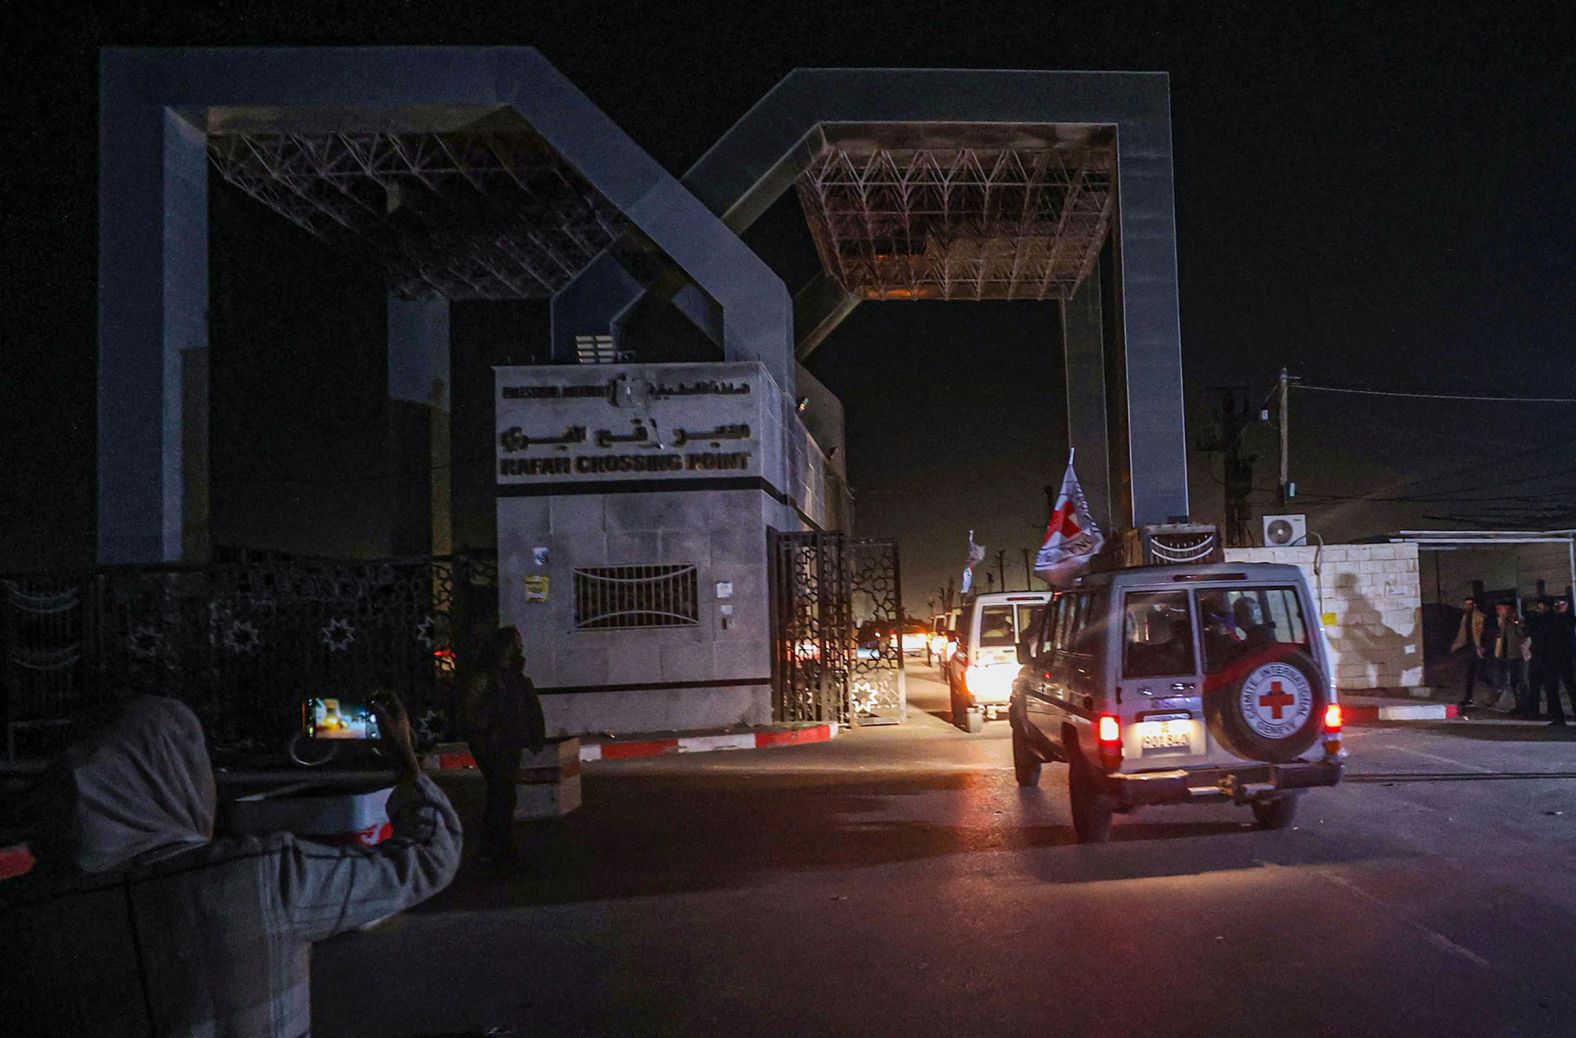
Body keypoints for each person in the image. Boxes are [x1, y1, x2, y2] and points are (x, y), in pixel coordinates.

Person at [0, 691, 461, 1037]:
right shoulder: (264, 878)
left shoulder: (28, 919)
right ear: (177, 777)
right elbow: (428, 854)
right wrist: (405, 762)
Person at [458, 625, 547, 865]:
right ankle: (497, 847)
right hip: (493, 744)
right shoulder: (487, 676)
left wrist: (535, 736)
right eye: (516, 642)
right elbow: (468, 711)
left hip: (510, 742)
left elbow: (528, 708)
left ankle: (494, 846)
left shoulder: (514, 676)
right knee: (502, 794)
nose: (520, 647)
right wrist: (484, 735)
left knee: (504, 796)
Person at [1491, 601, 1529, 716]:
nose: (1498, 612)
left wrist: (1516, 623)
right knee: (1513, 682)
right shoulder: (1503, 623)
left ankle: (1526, 706)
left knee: (1522, 681)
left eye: (1500, 609)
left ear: (1507, 608)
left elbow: (1523, 634)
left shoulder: (1516, 620)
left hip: (1519, 655)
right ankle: (1519, 706)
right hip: (1509, 655)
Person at [1542, 597, 1576, 727]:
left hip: (1564, 657)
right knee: (1552, 688)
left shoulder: (1568, 618)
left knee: (1570, 686)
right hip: (1551, 657)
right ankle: (1557, 717)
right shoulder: (1550, 618)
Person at [1450, 595, 1488, 708]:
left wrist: (1482, 646)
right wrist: (1456, 645)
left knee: (1478, 672)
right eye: (1467, 604)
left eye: (1470, 604)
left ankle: (1476, 696)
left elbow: (1483, 632)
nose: (1468, 606)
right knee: (1470, 672)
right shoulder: (1466, 616)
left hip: (1477, 647)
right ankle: (1469, 697)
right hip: (1470, 647)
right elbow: (1463, 632)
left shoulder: (1479, 616)